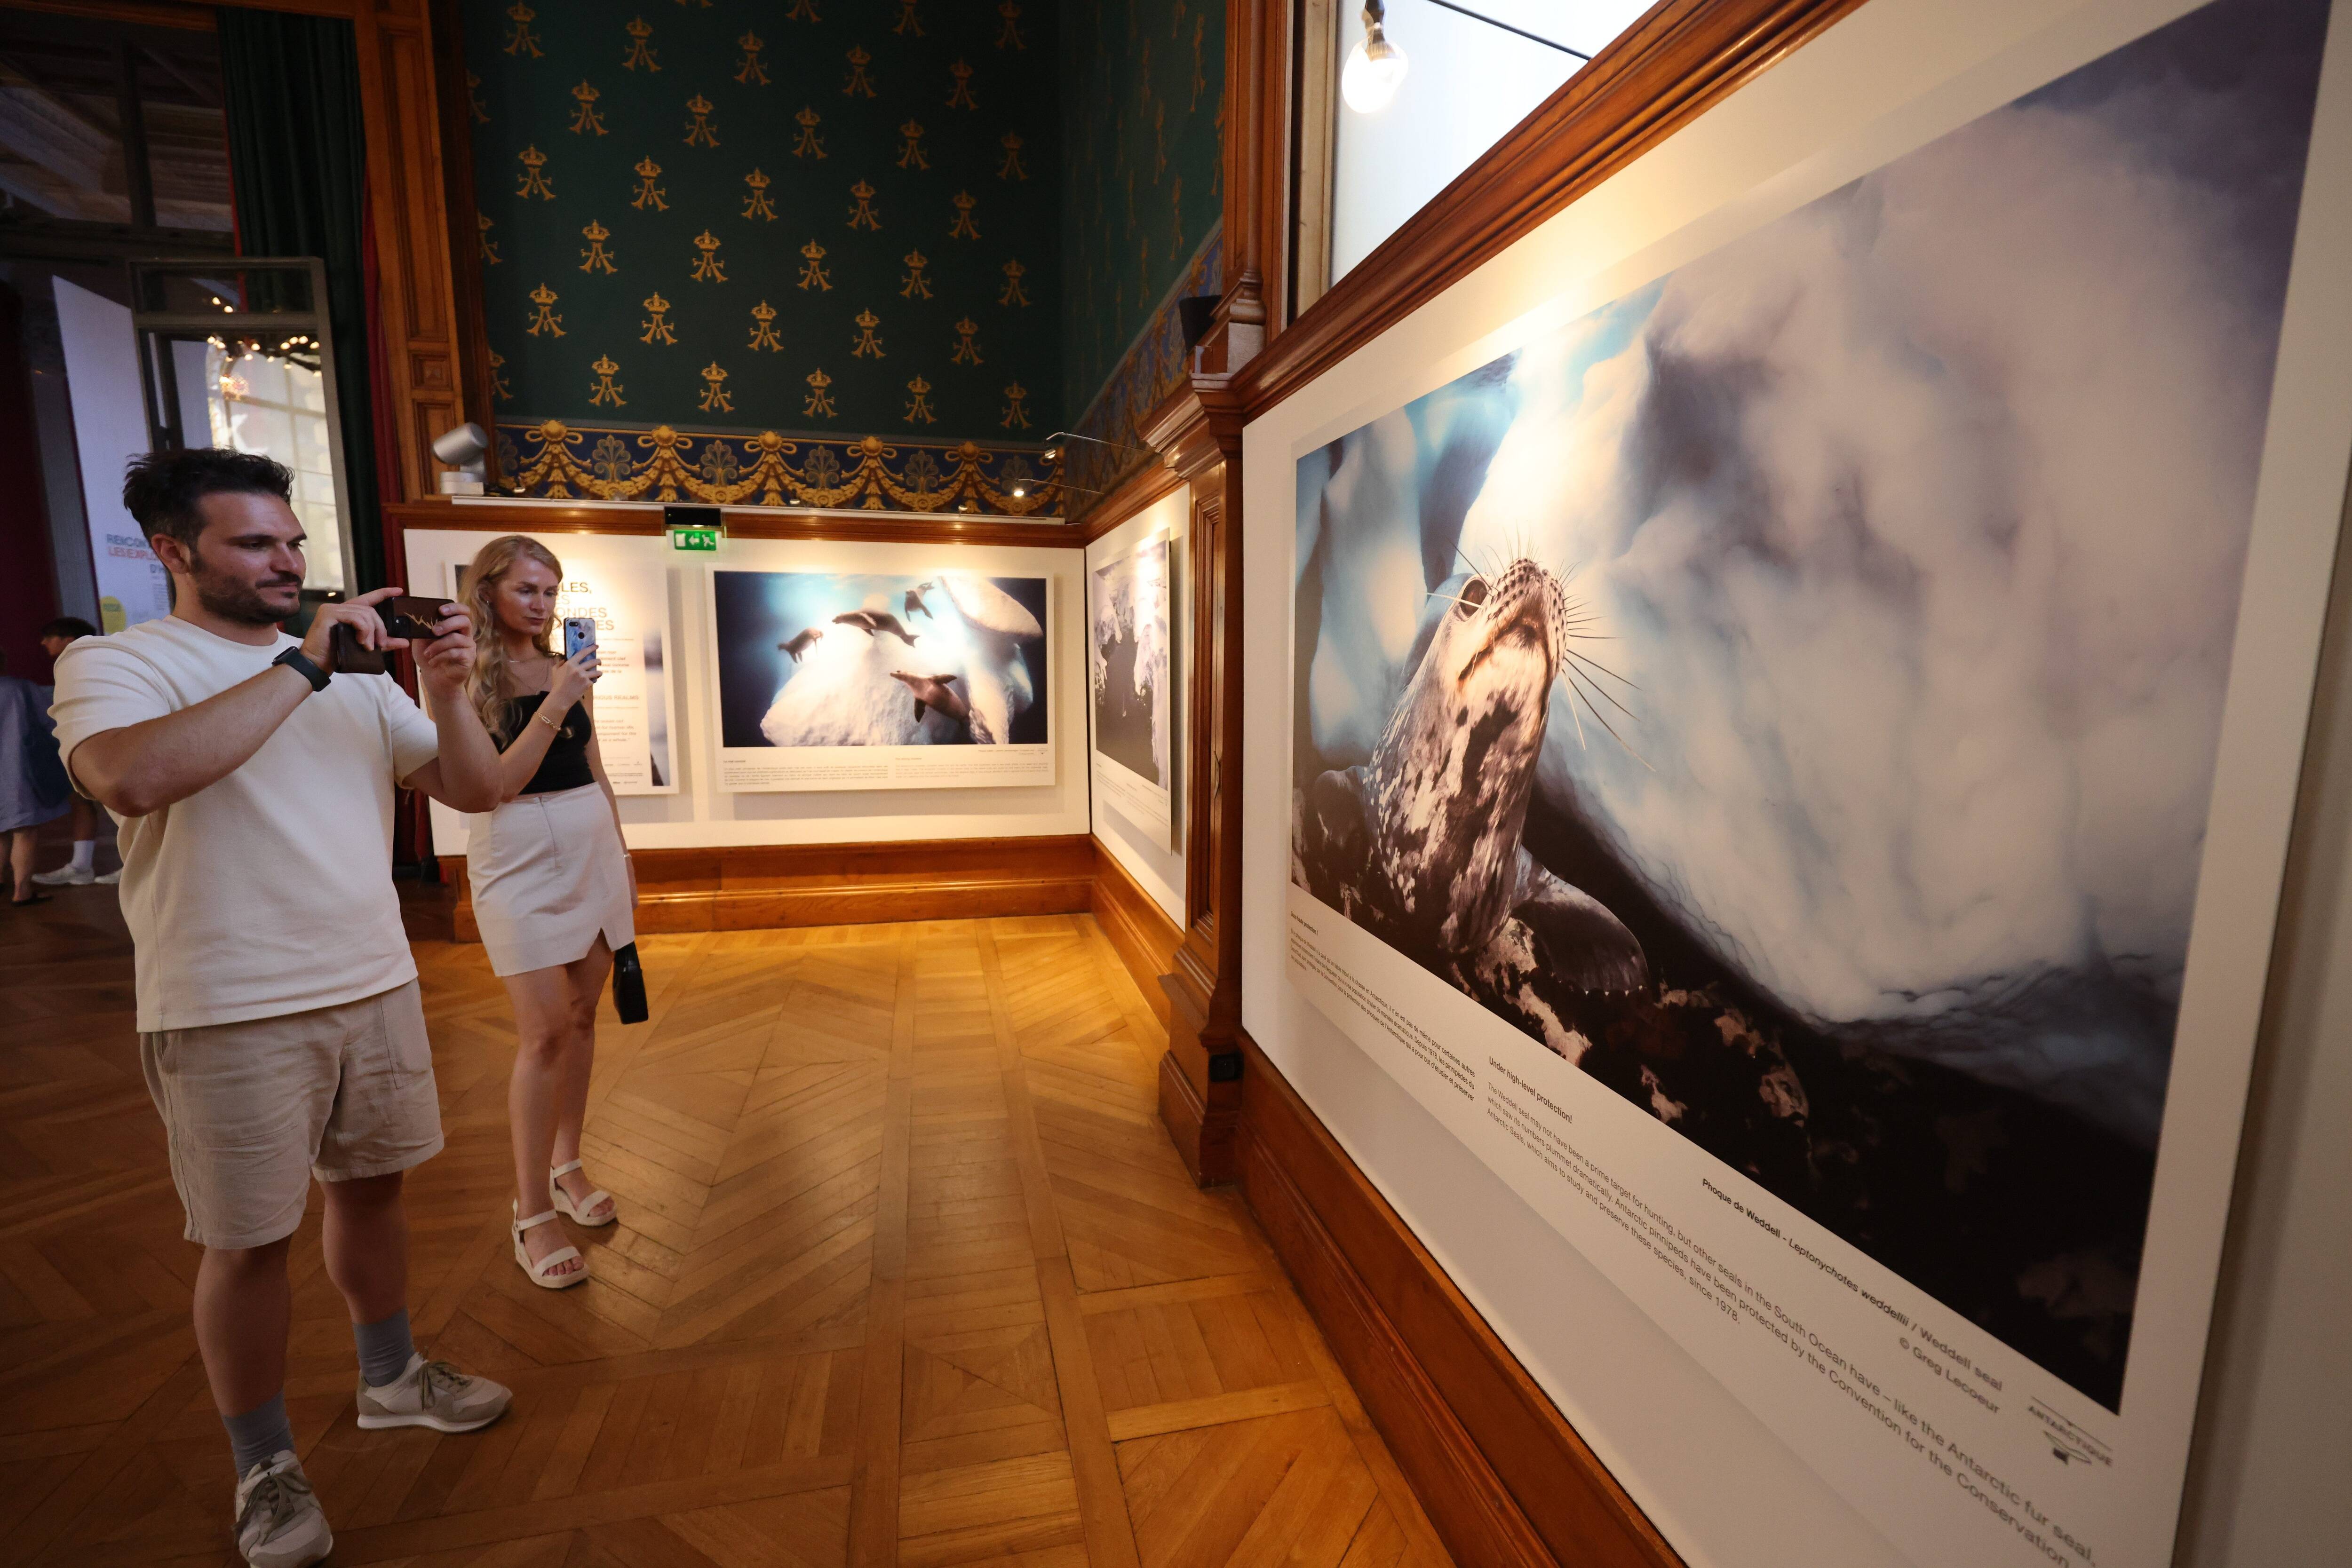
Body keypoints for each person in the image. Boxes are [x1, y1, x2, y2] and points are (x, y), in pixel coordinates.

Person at [49, 450, 514, 1568]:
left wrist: (445, 699)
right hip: (228, 1002)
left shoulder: (354, 675)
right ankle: (264, 1464)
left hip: (374, 979)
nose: (286, 563)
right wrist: (305, 670)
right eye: (255, 545)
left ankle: (393, 1377)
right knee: (250, 1242)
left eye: (292, 543)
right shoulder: (123, 663)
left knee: (373, 1194)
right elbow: (132, 778)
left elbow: (477, 789)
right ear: (174, 552)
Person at [456, 535, 637, 1289]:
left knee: (586, 1016)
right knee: (544, 1031)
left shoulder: (569, 667)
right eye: (528, 589)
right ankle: (531, 1209)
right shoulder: (463, 673)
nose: (543, 605)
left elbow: (594, 766)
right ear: (490, 590)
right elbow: (497, 782)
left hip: (591, 843)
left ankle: (568, 1162)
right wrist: (558, 699)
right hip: (516, 854)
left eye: (551, 591)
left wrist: (623, 856)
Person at [30, 615, 117, 886]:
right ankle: (81, 866)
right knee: (81, 801)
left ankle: (135, 864)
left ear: (68, 640)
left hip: (104, 742)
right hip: (80, 743)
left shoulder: (97, 661)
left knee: (120, 804)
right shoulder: (73, 664)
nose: (43, 642)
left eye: (50, 636)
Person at [0, 646, 72, 904]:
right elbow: (51, 722)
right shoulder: (21, 689)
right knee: (24, 831)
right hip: (19, 771)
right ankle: (22, 890)